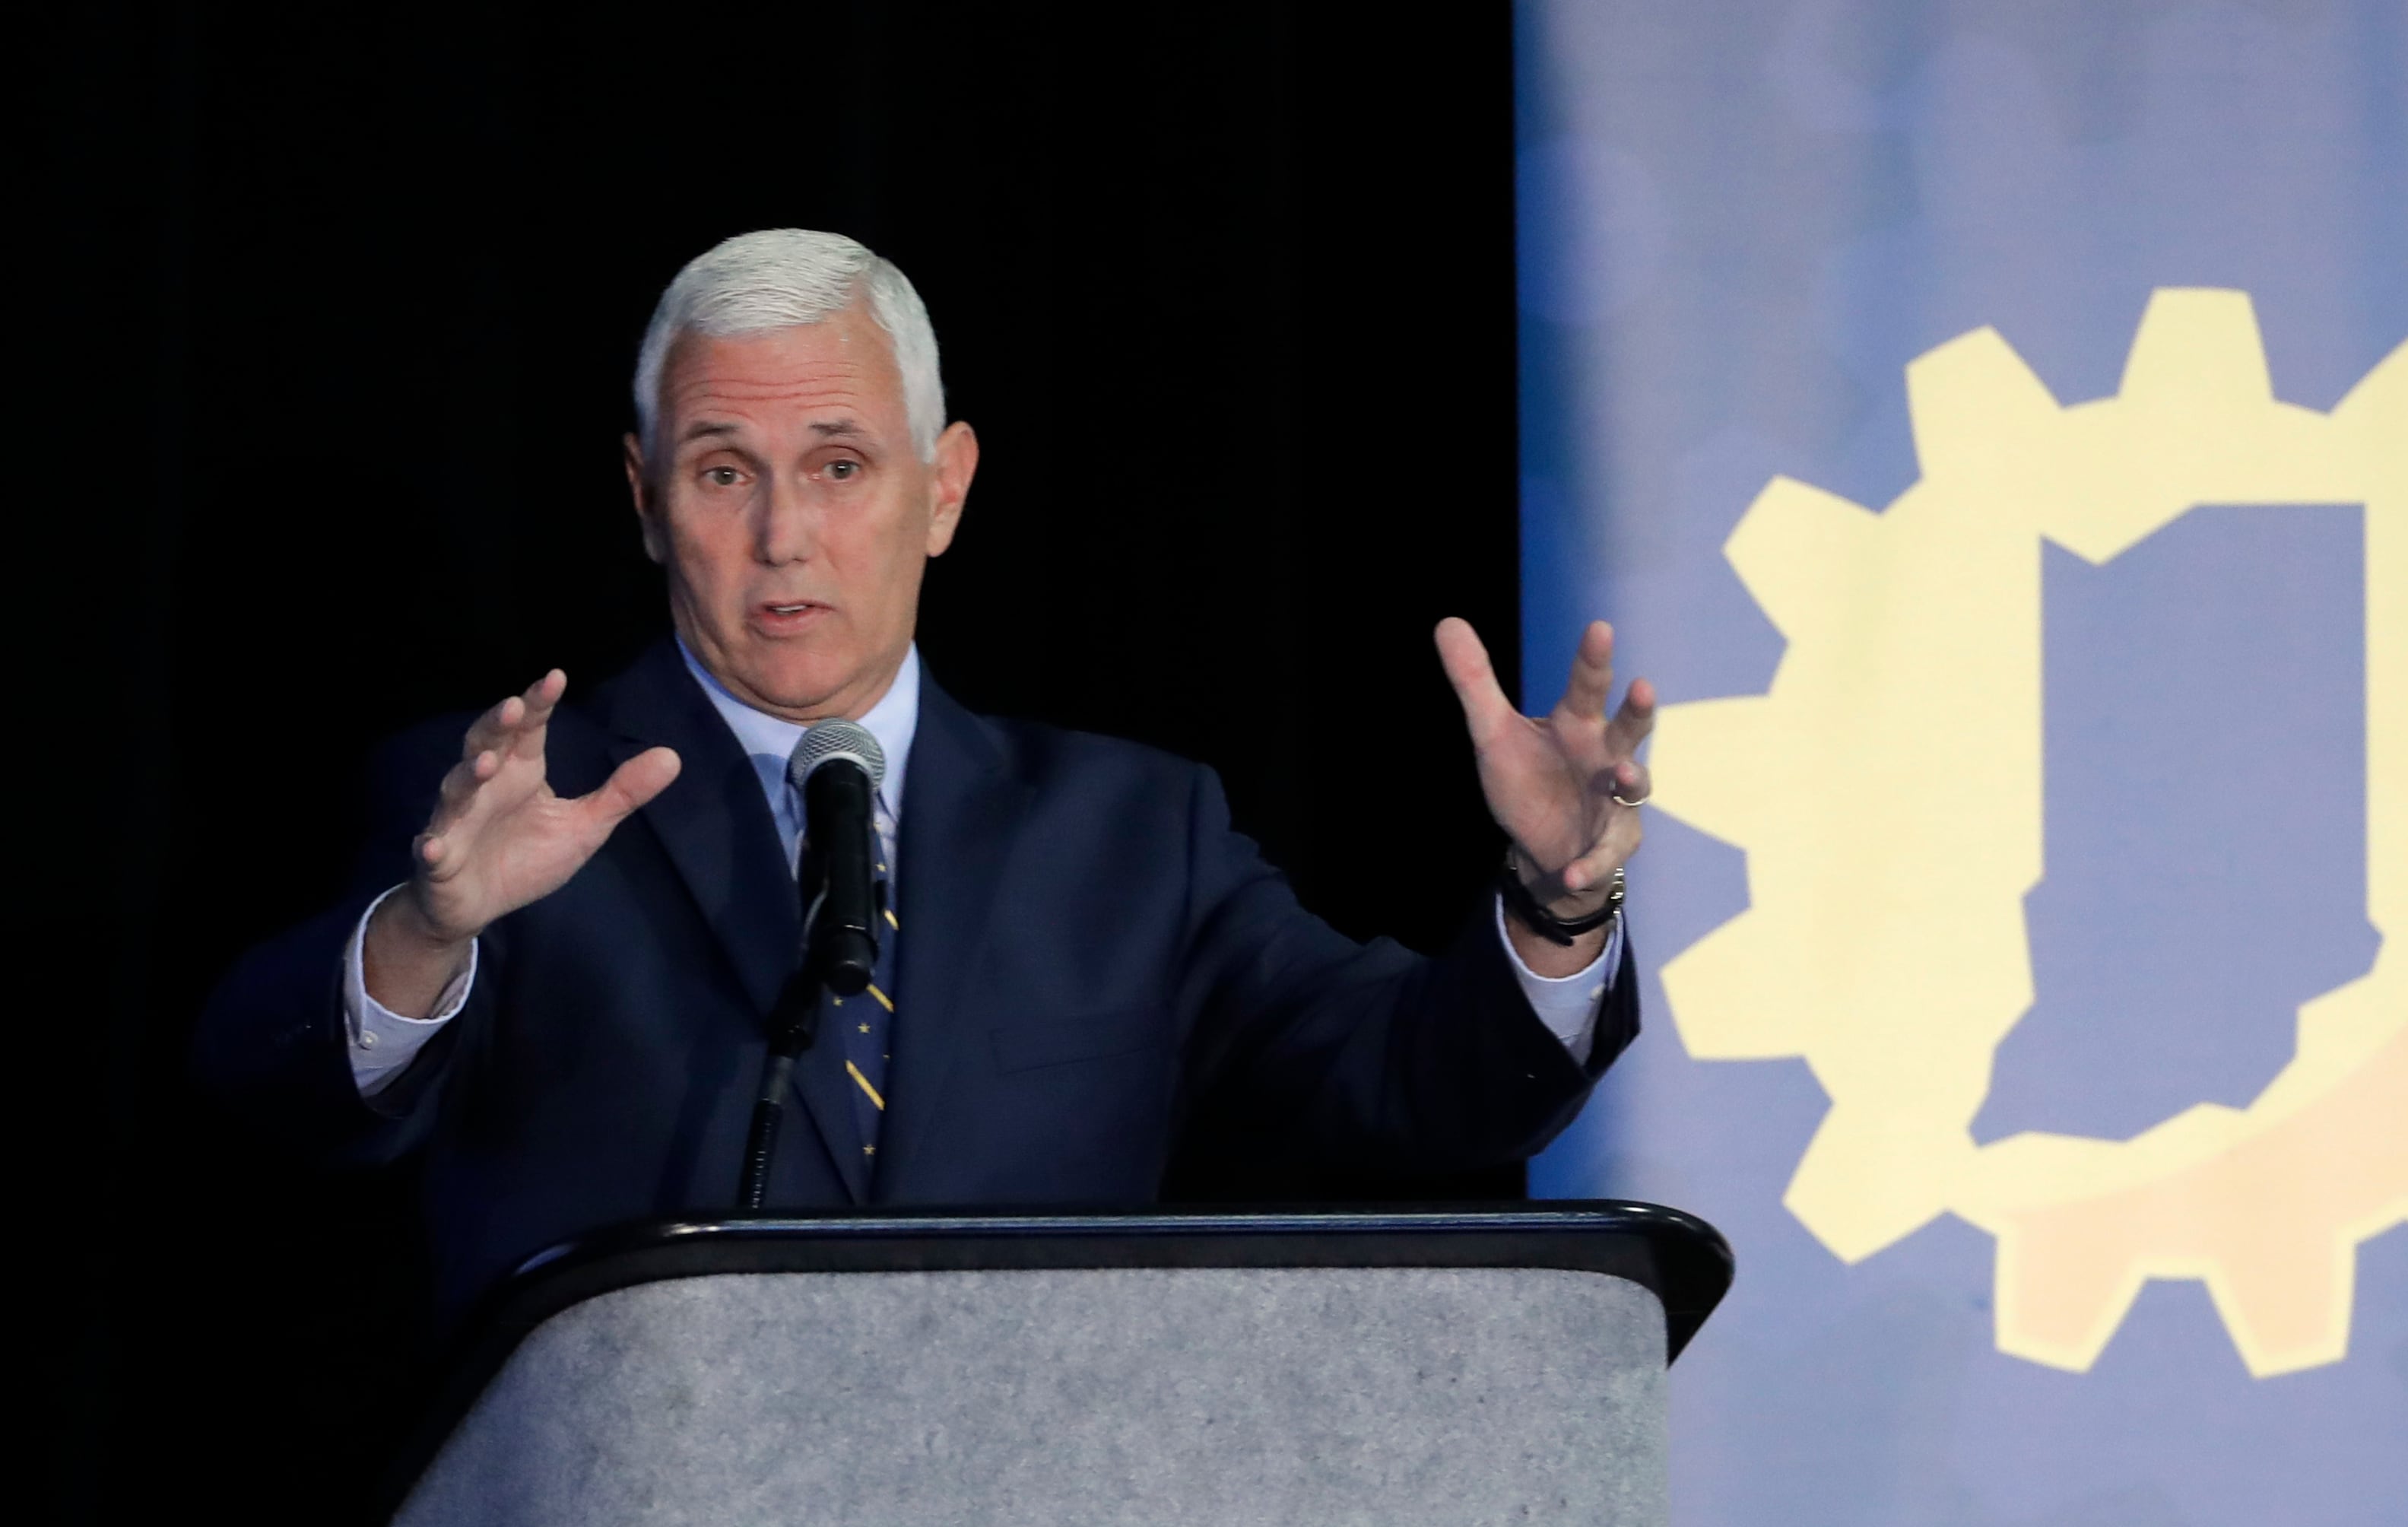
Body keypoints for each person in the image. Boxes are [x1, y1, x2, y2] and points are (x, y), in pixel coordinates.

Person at [197, 230, 1653, 1319]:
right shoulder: (507, 805)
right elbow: (281, 1101)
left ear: (942, 488)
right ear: (645, 502)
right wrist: (426, 935)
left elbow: (1415, 1088)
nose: (784, 535)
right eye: (722, 471)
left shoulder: (1131, 834)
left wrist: (1557, 906)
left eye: (839, 466)